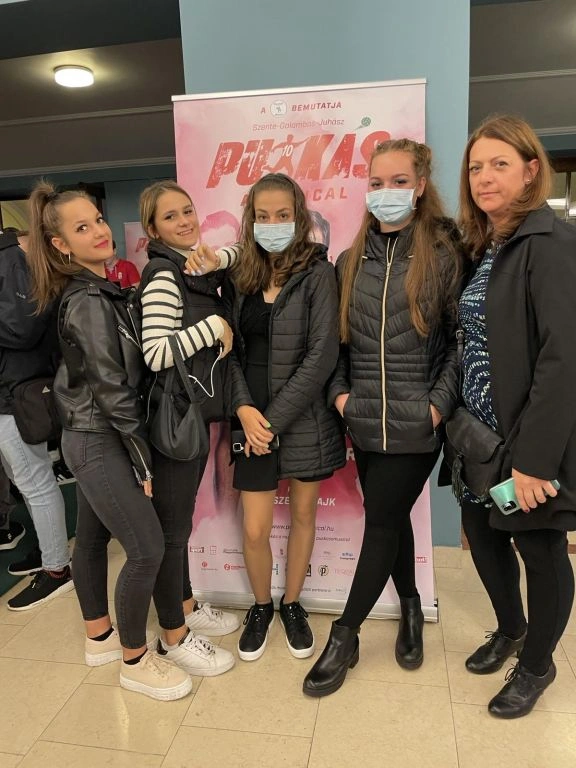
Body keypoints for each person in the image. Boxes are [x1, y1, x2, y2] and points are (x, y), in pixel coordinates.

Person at [303, 139, 462, 697]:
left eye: (398, 181)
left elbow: (458, 343)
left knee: (381, 523)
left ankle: (344, 637)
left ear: (420, 186)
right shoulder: (350, 260)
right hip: (364, 421)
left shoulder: (444, 255)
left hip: (418, 424)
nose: (385, 192)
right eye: (376, 182)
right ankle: (411, 606)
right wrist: (341, 397)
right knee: (388, 519)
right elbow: (337, 346)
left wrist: (437, 405)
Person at [27, 182, 192, 701]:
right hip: (99, 438)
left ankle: (99, 636)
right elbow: (112, 388)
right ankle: (135, 660)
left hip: (94, 434)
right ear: (61, 245)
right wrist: (142, 458)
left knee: (94, 538)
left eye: (98, 220)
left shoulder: (105, 290)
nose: (99, 231)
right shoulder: (88, 300)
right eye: (83, 228)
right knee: (146, 547)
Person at [455, 114, 576, 719]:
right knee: (482, 536)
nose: (484, 177)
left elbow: (563, 357)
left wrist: (535, 461)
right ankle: (511, 627)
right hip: (479, 439)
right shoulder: (486, 245)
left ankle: (536, 665)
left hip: (526, 441)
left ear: (531, 171)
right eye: (476, 166)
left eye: (499, 164)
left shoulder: (550, 244)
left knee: (540, 549)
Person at [224, 172, 346, 662]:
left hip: (303, 418)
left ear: (298, 218)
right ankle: (261, 607)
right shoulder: (241, 276)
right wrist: (243, 408)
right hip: (250, 418)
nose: (272, 223)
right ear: (250, 219)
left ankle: (292, 604)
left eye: (282, 215)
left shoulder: (319, 273)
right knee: (254, 528)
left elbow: (322, 356)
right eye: (262, 215)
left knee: (302, 516)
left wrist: (270, 422)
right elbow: (229, 351)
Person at [138, 180, 238, 676]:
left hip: (192, 417)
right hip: (175, 422)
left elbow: (241, 253)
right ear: (153, 230)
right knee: (172, 531)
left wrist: (218, 256)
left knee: (177, 526)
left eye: (187, 210)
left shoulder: (191, 267)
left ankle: (186, 605)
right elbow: (155, 352)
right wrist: (212, 328)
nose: (184, 221)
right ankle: (173, 635)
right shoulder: (163, 275)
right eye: (170, 216)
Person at [0, 228, 72, 609]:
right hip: (11, 392)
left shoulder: (10, 259)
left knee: (35, 481)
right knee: (25, 479)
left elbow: (24, 326)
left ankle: (57, 569)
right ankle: (50, 551)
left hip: (17, 394)